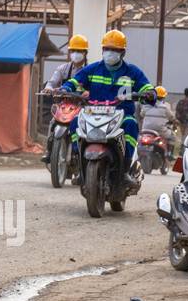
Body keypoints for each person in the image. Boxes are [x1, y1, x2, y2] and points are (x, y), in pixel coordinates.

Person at [63, 29, 156, 191]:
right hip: (93, 113)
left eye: (115, 49)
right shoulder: (92, 69)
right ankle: (79, 165)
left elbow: (147, 87)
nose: (110, 53)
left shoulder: (132, 72)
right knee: (75, 122)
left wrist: (149, 93)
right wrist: (65, 88)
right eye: (107, 49)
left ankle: (125, 168)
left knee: (132, 125)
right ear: (102, 50)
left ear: (123, 52)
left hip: (121, 115)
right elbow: (75, 81)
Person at [41, 33, 89, 164]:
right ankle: (49, 151)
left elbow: (95, 88)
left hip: (83, 107)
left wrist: (88, 93)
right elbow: (52, 82)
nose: (76, 53)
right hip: (65, 105)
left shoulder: (91, 70)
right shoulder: (63, 68)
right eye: (73, 50)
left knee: (87, 127)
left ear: (85, 53)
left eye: (79, 51)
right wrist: (49, 88)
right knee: (52, 122)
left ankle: (83, 155)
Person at [140, 85, 178, 161]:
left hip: (146, 129)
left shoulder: (146, 105)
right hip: (160, 130)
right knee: (173, 136)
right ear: (163, 97)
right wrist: (175, 121)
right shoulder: (165, 107)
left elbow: (142, 114)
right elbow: (172, 118)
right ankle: (169, 154)